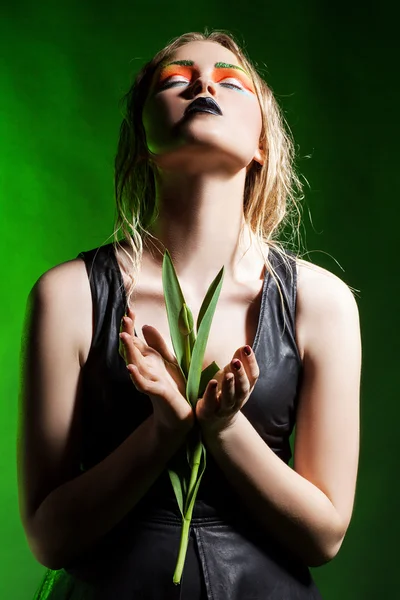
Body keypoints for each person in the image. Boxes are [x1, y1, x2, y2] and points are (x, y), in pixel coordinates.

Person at [18, 30, 361, 600]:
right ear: (141, 138)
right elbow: (50, 539)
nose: (203, 84)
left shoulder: (321, 302)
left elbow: (323, 537)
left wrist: (223, 428)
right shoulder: (69, 295)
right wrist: (162, 431)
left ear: (262, 145)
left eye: (231, 82)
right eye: (175, 80)